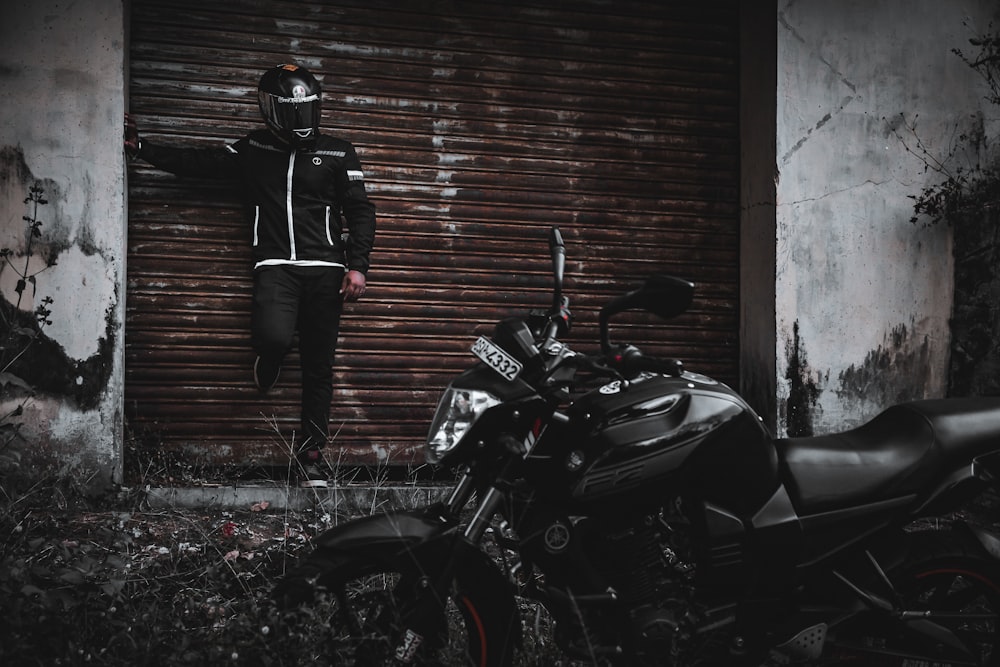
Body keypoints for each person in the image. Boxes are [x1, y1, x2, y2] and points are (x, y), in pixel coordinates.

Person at [125, 63, 376, 488]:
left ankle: (311, 458)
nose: (301, 120)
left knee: (319, 367)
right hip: (275, 266)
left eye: (307, 110)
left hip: (327, 271)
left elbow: (360, 210)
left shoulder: (338, 151)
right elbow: (198, 162)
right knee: (275, 336)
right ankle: (271, 357)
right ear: (274, 111)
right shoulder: (254, 149)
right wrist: (142, 147)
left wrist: (357, 266)